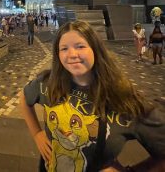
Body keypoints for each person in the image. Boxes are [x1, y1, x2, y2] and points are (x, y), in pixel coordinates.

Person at [20, 20, 165, 172]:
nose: (72, 54)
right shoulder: (47, 83)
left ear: (95, 49)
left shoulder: (123, 99)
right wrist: (37, 134)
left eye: (80, 46)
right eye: (64, 48)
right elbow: (24, 98)